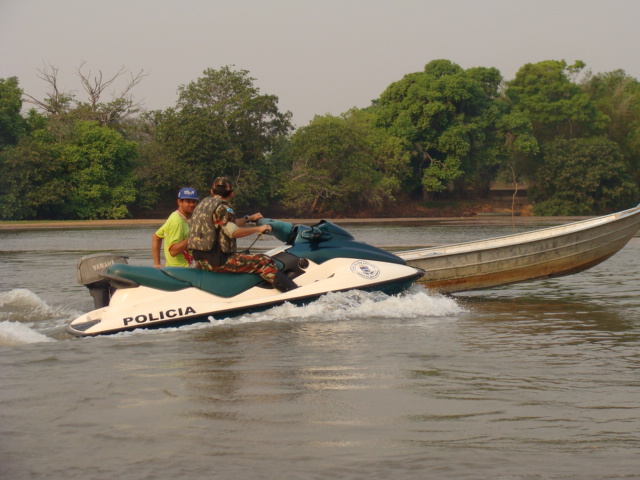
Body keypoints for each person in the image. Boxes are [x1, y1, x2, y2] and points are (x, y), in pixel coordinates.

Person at [188, 177, 297, 292]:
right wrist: (259, 228)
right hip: (217, 262)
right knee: (264, 261)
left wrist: (248, 218)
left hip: (200, 261)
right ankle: (292, 293)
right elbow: (233, 231)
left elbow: (226, 224)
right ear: (232, 194)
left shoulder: (202, 206)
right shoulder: (223, 207)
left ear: (211, 191)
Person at [152, 187, 199, 268]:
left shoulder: (175, 216)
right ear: (179, 202)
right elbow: (173, 251)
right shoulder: (177, 221)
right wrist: (192, 238)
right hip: (181, 271)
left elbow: (156, 237)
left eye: (194, 201)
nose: (192, 204)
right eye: (188, 201)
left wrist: (157, 263)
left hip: (176, 269)